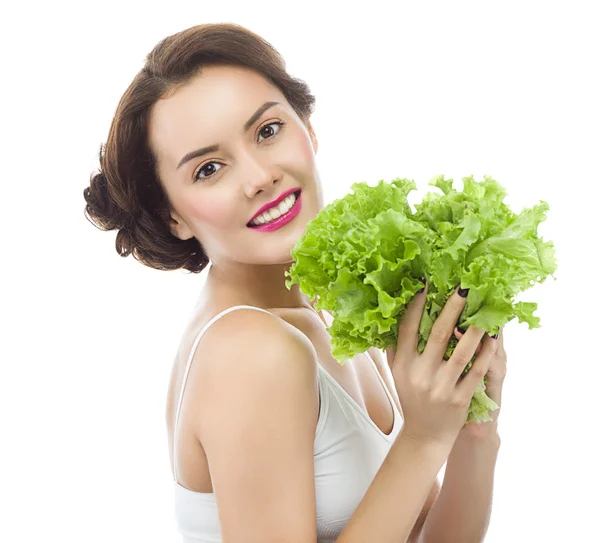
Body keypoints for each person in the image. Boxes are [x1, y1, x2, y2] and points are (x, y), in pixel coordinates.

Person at [83, 22, 506, 543]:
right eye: (209, 168)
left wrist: (472, 428)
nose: (259, 176)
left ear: (308, 127)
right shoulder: (249, 350)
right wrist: (421, 437)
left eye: (266, 131)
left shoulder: (333, 313)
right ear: (174, 217)